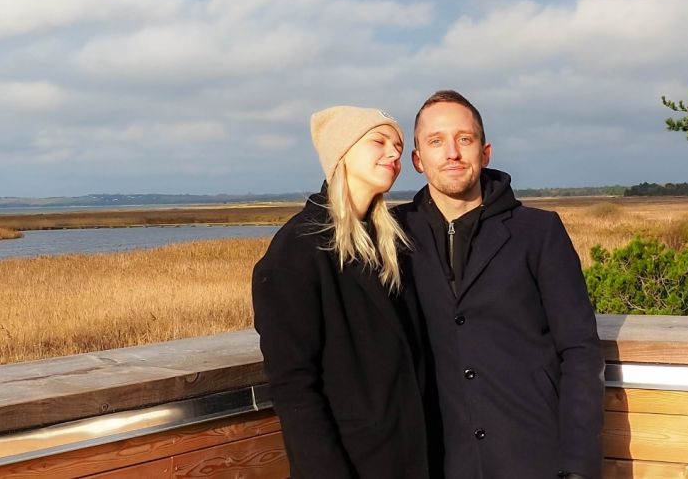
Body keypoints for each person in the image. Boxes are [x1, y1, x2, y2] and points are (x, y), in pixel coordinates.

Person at [394, 90, 604, 479]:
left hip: (533, 457)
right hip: (440, 460)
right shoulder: (394, 235)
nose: (452, 152)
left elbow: (580, 351)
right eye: (436, 141)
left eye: (465, 139)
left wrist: (578, 467)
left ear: (485, 152)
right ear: (418, 160)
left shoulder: (539, 232)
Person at [252, 106, 436, 478]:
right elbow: (293, 386)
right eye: (378, 142)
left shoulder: (394, 242)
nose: (394, 154)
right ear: (342, 153)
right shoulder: (296, 251)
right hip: (352, 463)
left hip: (412, 458)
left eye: (398, 146)